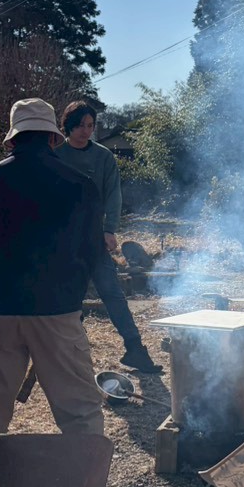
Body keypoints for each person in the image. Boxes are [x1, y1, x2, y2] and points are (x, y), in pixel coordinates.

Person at [0, 97, 129, 487]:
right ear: (54, 137)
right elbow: (93, 252)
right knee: (79, 410)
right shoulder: (79, 184)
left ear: (12, 139)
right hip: (56, 311)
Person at [55, 100, 161, 374]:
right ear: (68, 126)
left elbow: (114, 196)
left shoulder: (103, 157)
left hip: (94, 237)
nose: (86, 131)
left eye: (90, 125)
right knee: (71, 299)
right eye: (80, 125)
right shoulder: (56, 156)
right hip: (63, 241)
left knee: (113, 293)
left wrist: (109, 229)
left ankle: (135, 349)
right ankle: (73, 356)